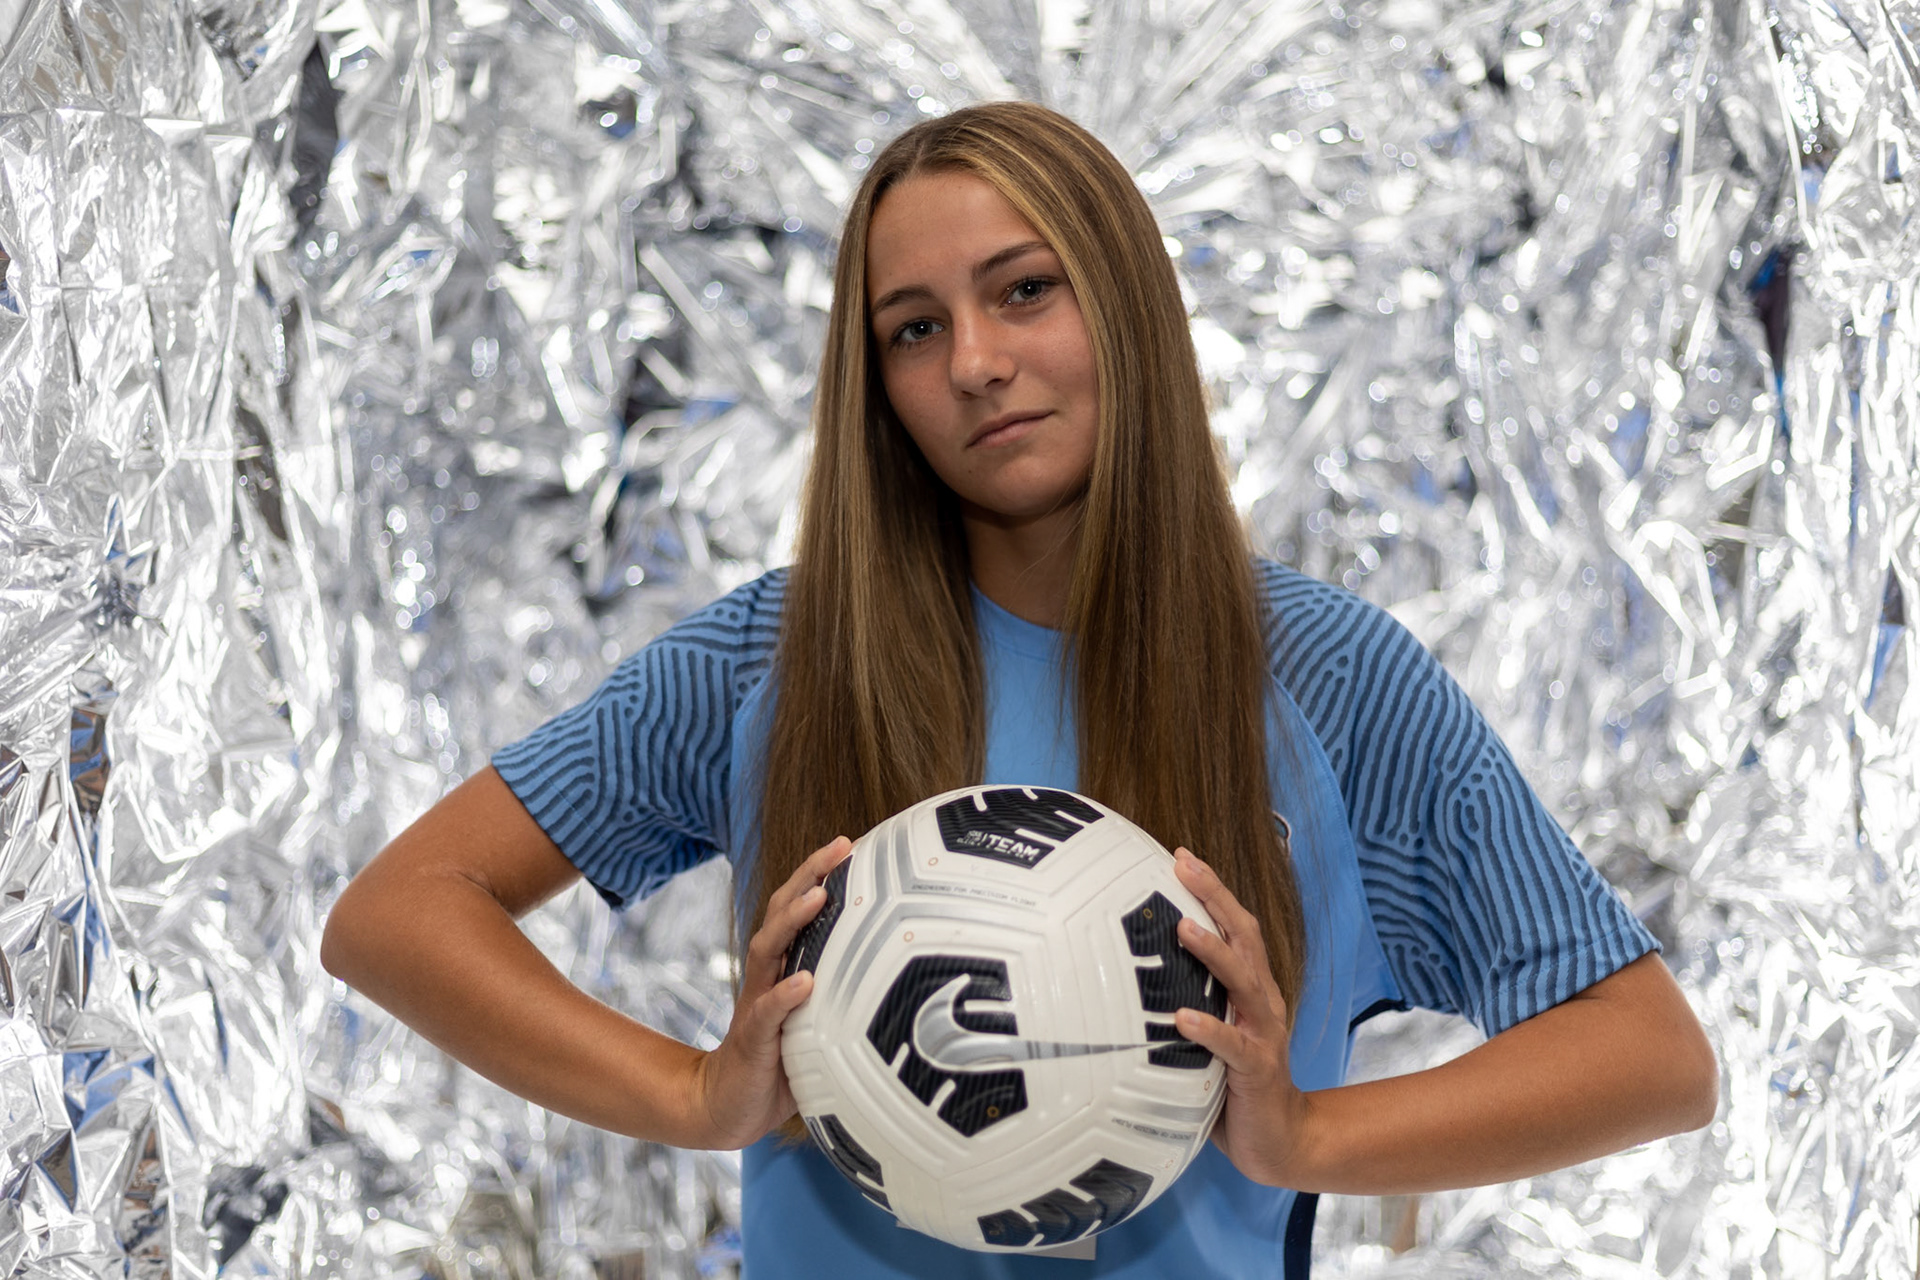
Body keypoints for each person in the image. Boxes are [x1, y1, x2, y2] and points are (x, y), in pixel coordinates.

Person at [321, 100, 1718, 1277]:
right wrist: (692, 1094)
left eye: (1025, 289)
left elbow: (1648, 1054)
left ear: (1125, 303)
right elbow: (400, 912)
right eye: (912, 330)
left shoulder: (1327, 679)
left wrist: (1309, 1136)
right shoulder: (783, 656)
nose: (975, 363)